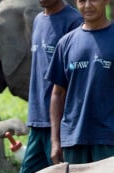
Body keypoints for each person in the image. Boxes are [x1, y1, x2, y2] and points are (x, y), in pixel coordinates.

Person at [19, 0, 83, 173]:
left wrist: (59, 135)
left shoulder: (73, 22)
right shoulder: (38, 20)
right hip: (37, 121)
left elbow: (75, 76)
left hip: (60, 124)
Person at [46, 0, 114, 164]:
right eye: (82, 0)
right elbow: (57, 94)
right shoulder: (65, 43)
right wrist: (56, 141)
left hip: (109, 140)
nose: (88, 5)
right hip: (73, 140)